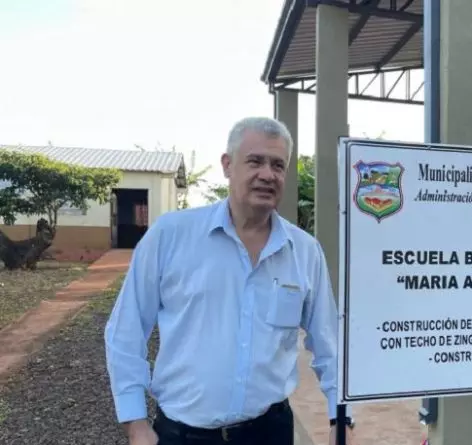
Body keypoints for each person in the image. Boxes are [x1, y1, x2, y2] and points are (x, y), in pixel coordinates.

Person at [104, 117, 356, 445]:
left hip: (269, 433)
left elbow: (329, 344)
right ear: (227, 165)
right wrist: (135, 424)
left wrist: (341, 418)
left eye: (278, 165)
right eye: (255, 161)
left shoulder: (304, 252)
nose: (267, 174)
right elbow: (125, 331)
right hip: (183, 435)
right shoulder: (170, 236)